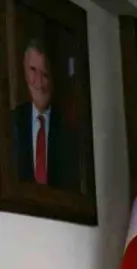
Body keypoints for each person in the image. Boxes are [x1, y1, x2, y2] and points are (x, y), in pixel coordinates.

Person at [10, 38, 79, 190]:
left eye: (45, 74)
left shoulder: (67, 126)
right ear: (24, 71)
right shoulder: (12, 122)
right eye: (33, 70)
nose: (39, 82)